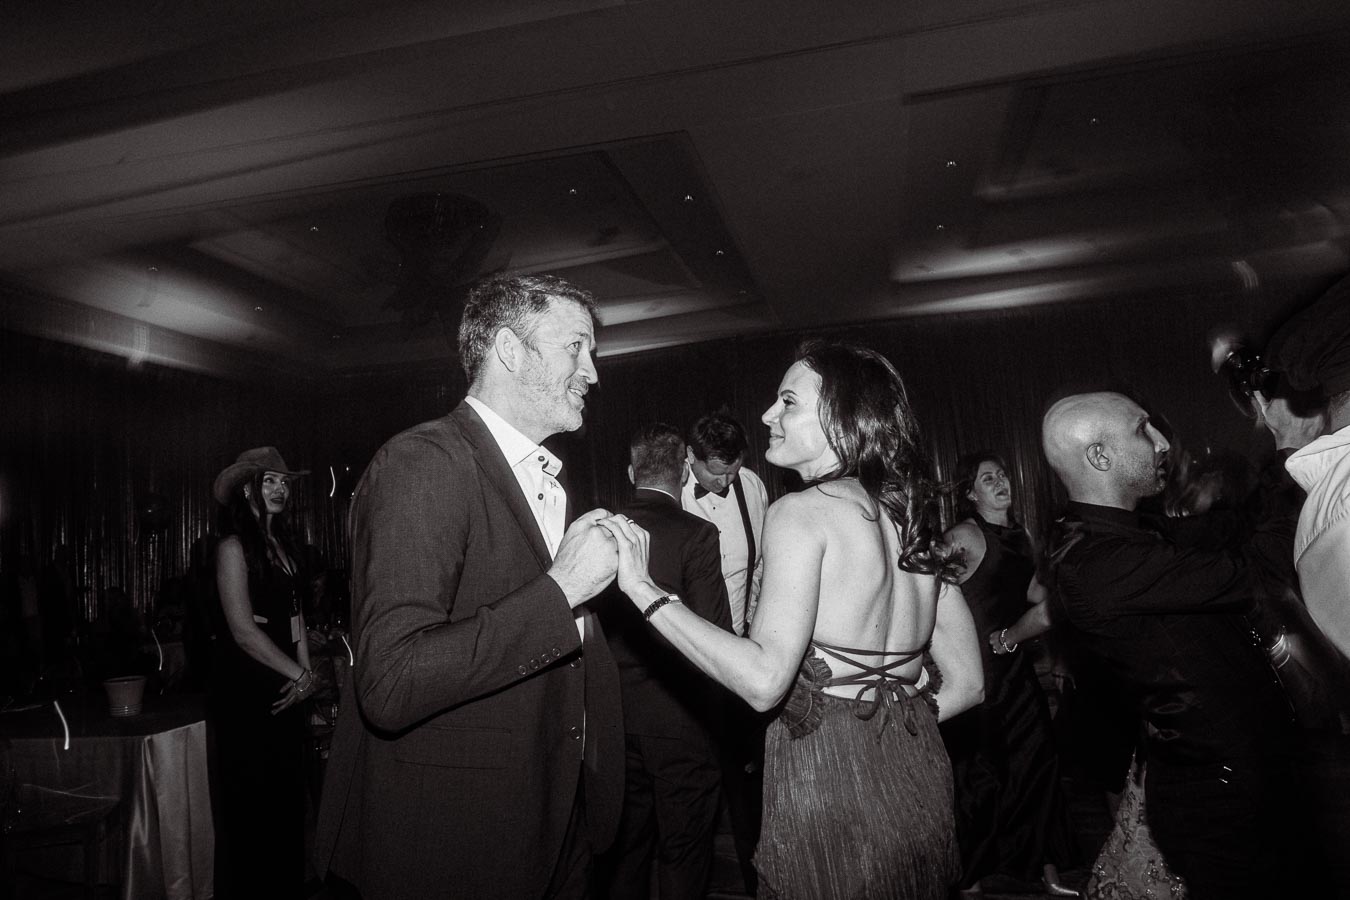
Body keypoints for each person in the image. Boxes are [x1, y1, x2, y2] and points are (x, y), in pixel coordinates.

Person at [601, 339, 984, 900]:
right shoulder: (910, 517)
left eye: (787, 402)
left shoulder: (800, 512)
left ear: (840, 417)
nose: (766, 416)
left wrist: (644, 589)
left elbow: (762, 682)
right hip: (918, 766)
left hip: (825, 777)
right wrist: (884, 726)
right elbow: (970, 685)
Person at [314, 274, 626, 900]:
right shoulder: (424, 462)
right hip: (457, 834)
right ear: (511, 351)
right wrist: (562, 590)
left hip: (548, 812)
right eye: (576, 347)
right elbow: (391, 680)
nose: (592, 372)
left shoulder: (542, 477)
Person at [1040, 391, 1307, 900]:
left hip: (1241, 774)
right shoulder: (1094, 563)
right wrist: (1290, 453)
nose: (1163, 442)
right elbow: (1260, 564)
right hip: (1218, 793)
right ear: (1099, 457)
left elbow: (1232, 530)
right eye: (1144, 429)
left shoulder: (1136, 532)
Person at [593, 422, 734, 900]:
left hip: (615, 719)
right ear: (683, 475)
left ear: (632, 471)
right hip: (682, 721)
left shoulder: (603, 533)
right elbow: (715, 635)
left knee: (625, 852)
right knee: (684, 851)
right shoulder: (698, 534)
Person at [940, 452, 1079, 896]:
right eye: (987, 478)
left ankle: (1047, 868)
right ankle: (972, 876)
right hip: (976, 665)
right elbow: (932, 596)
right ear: (970, 492)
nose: (1001, 482)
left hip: (1014, 661)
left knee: (1039, 759)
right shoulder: (963, 536)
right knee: (979, 773)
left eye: (1002, 474)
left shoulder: (1022, 533)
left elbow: (1038, 594)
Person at [209, 446, 315, 898]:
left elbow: (297, 618)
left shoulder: (285, 548)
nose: (279, 489)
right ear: (248, 489)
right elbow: (242, 630)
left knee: (288, 804)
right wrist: (299, 675)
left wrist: (307, 673)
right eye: (269, 480)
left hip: (289, 685)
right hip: (251, 693)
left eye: (284, 482)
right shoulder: (232, 548)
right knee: (253, 810)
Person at [679, 411, 769, 893]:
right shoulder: (674, 498)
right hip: (693, 655)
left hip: (744, 645)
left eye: (732, 470)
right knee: (697, 773)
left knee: (746, 772)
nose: (726, 481)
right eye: (716, 471)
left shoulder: (752, 486)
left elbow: (761, 565)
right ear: (690, 458)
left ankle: (756, 873)